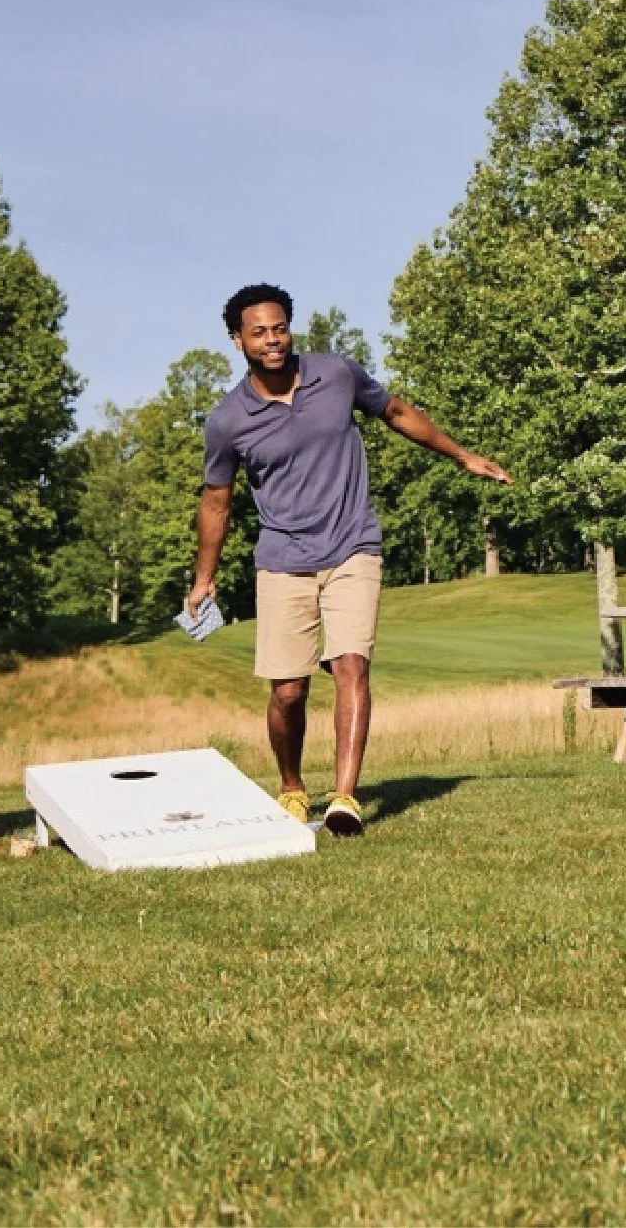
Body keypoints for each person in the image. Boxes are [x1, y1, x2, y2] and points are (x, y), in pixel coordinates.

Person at [186, 284, 511, 837]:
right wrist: (204, 579)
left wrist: (462, 456)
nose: (272, 340)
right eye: (259, 332)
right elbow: (217, 501)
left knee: (351, 665)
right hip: (283, 558)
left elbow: (397, 412)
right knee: (288, 692)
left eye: (280, 327)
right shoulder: (227, 421)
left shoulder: (336, 374)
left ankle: (345, 797)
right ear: (237, 339)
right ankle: (292, 787)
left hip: (353, 544)